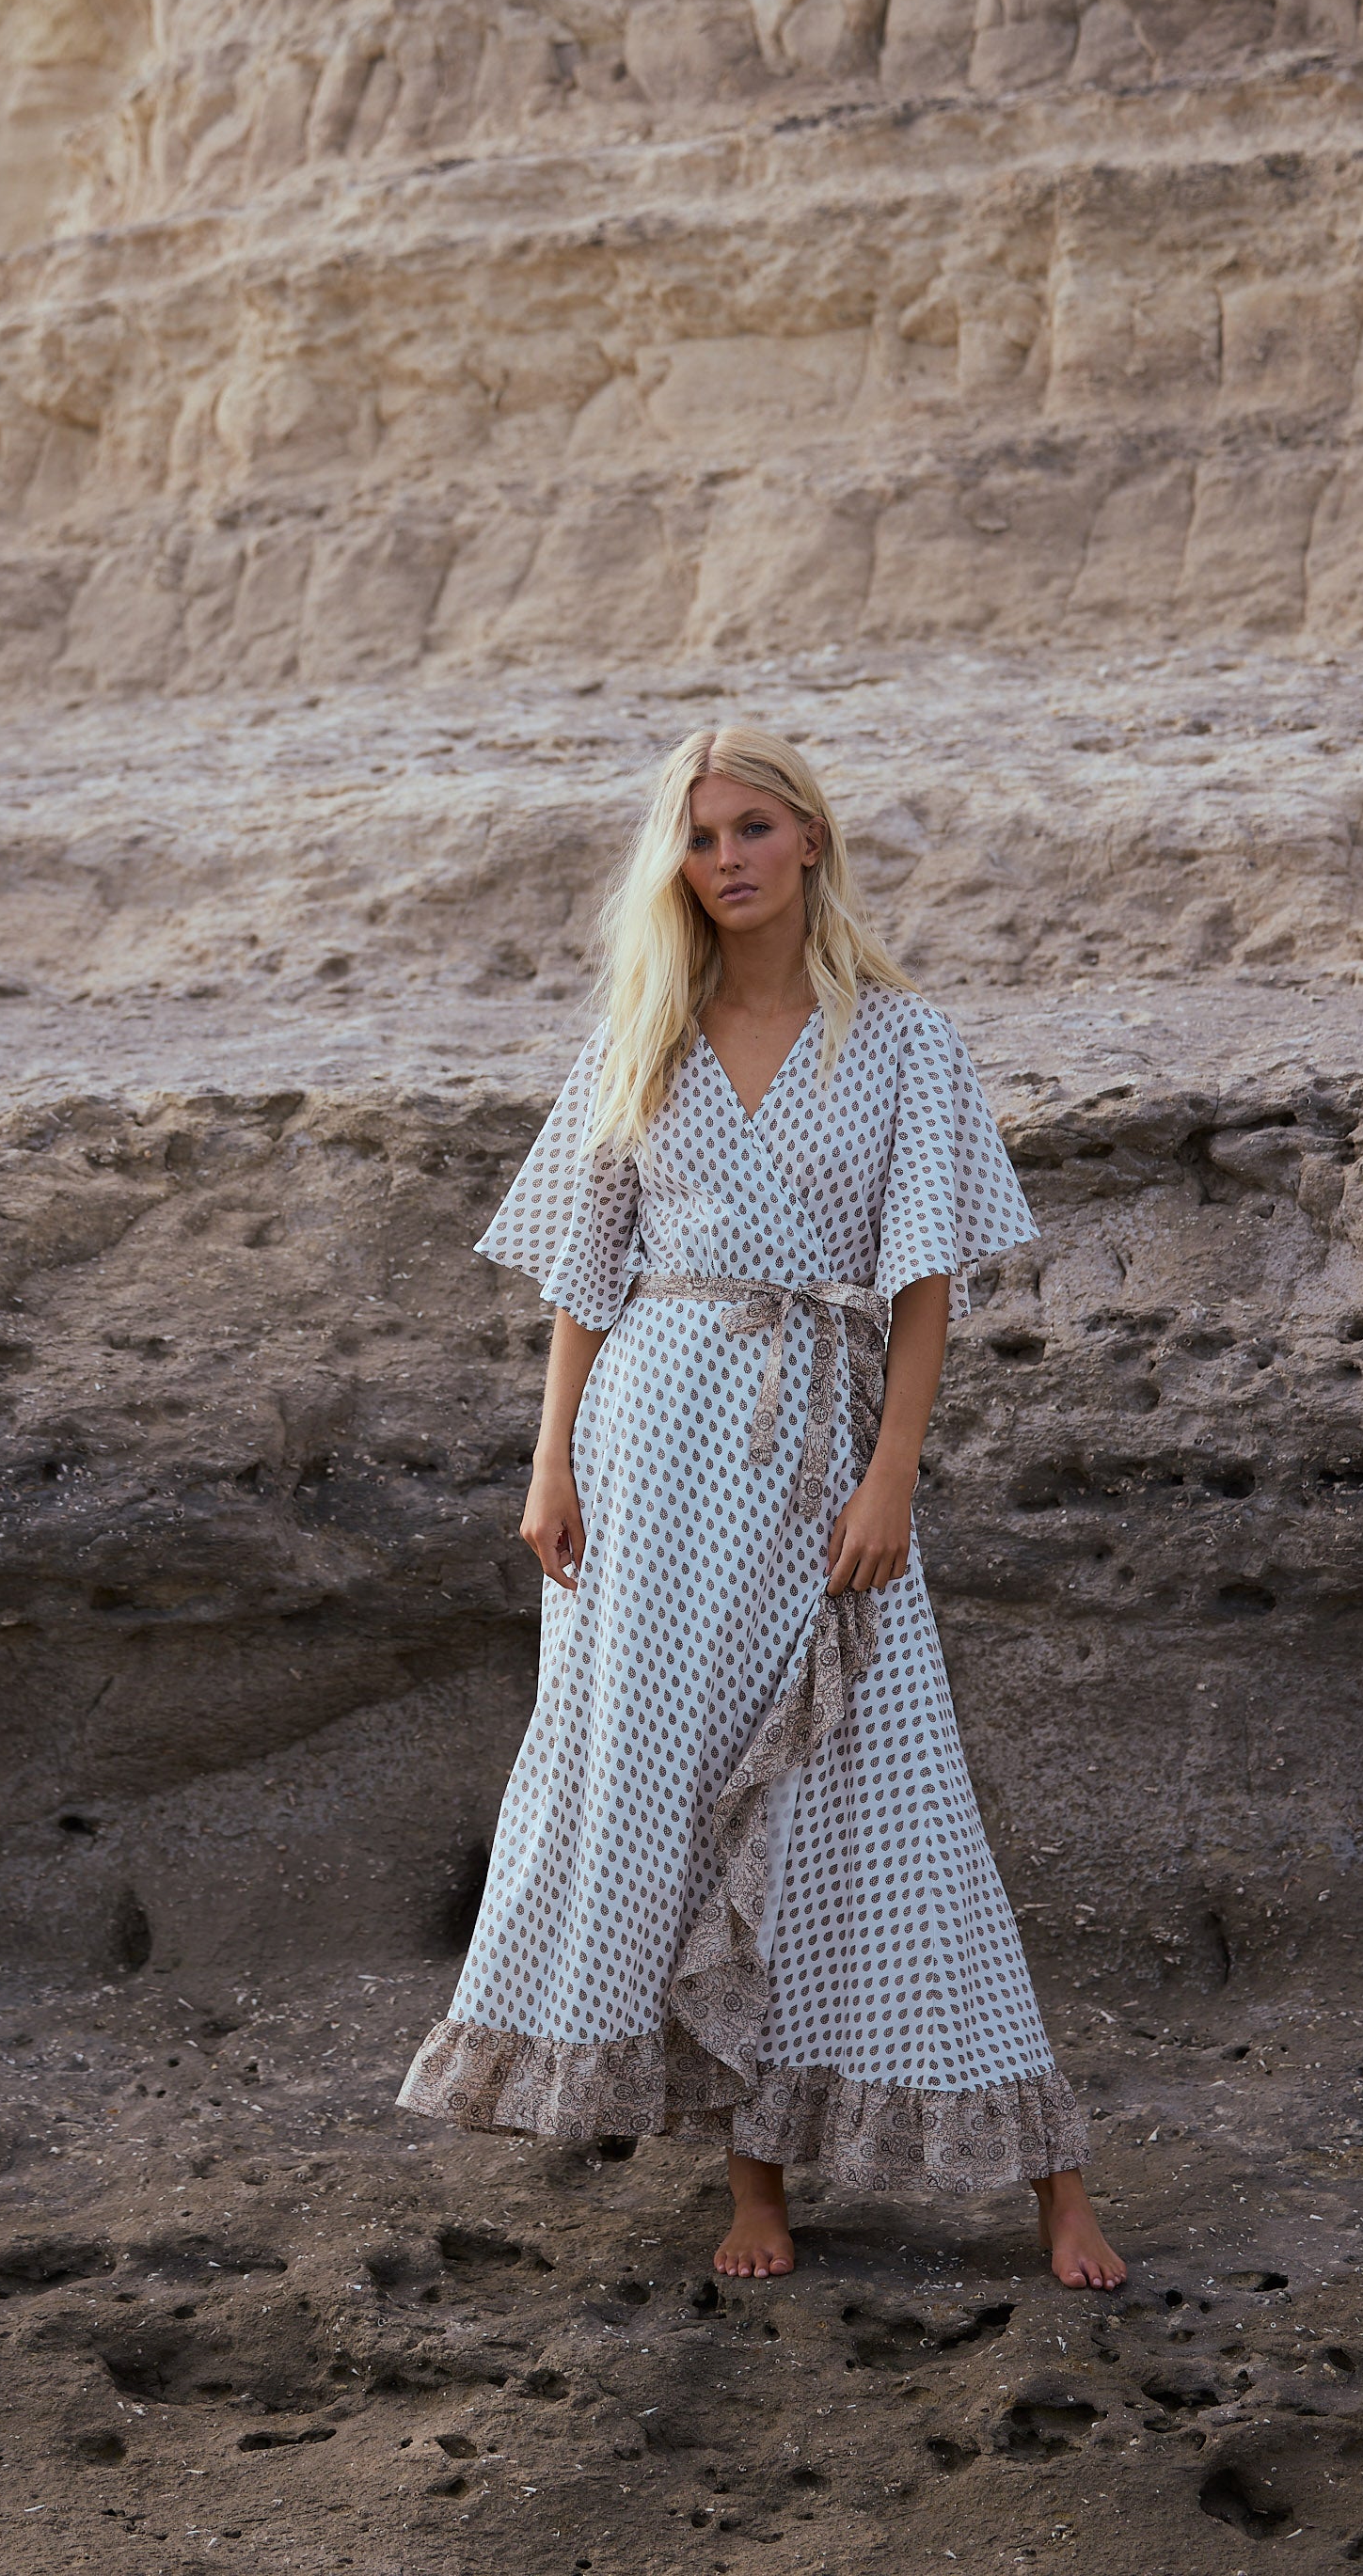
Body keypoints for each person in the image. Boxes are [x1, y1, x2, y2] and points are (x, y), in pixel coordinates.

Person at [399, 726, 1124, 2291]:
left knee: (890, 1802)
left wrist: (891, 1474)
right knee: (677, 1800)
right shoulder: (641, 1034)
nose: (722, 858)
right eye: (696, 836)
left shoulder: (903, 1041)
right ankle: (754, 2182)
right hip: (646, 1465)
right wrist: (547, 1463)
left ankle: (1051, 2177)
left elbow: (923, 1284)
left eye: (748, 828)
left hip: (817, 1462)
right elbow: (586, 1277)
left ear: (807, 838)